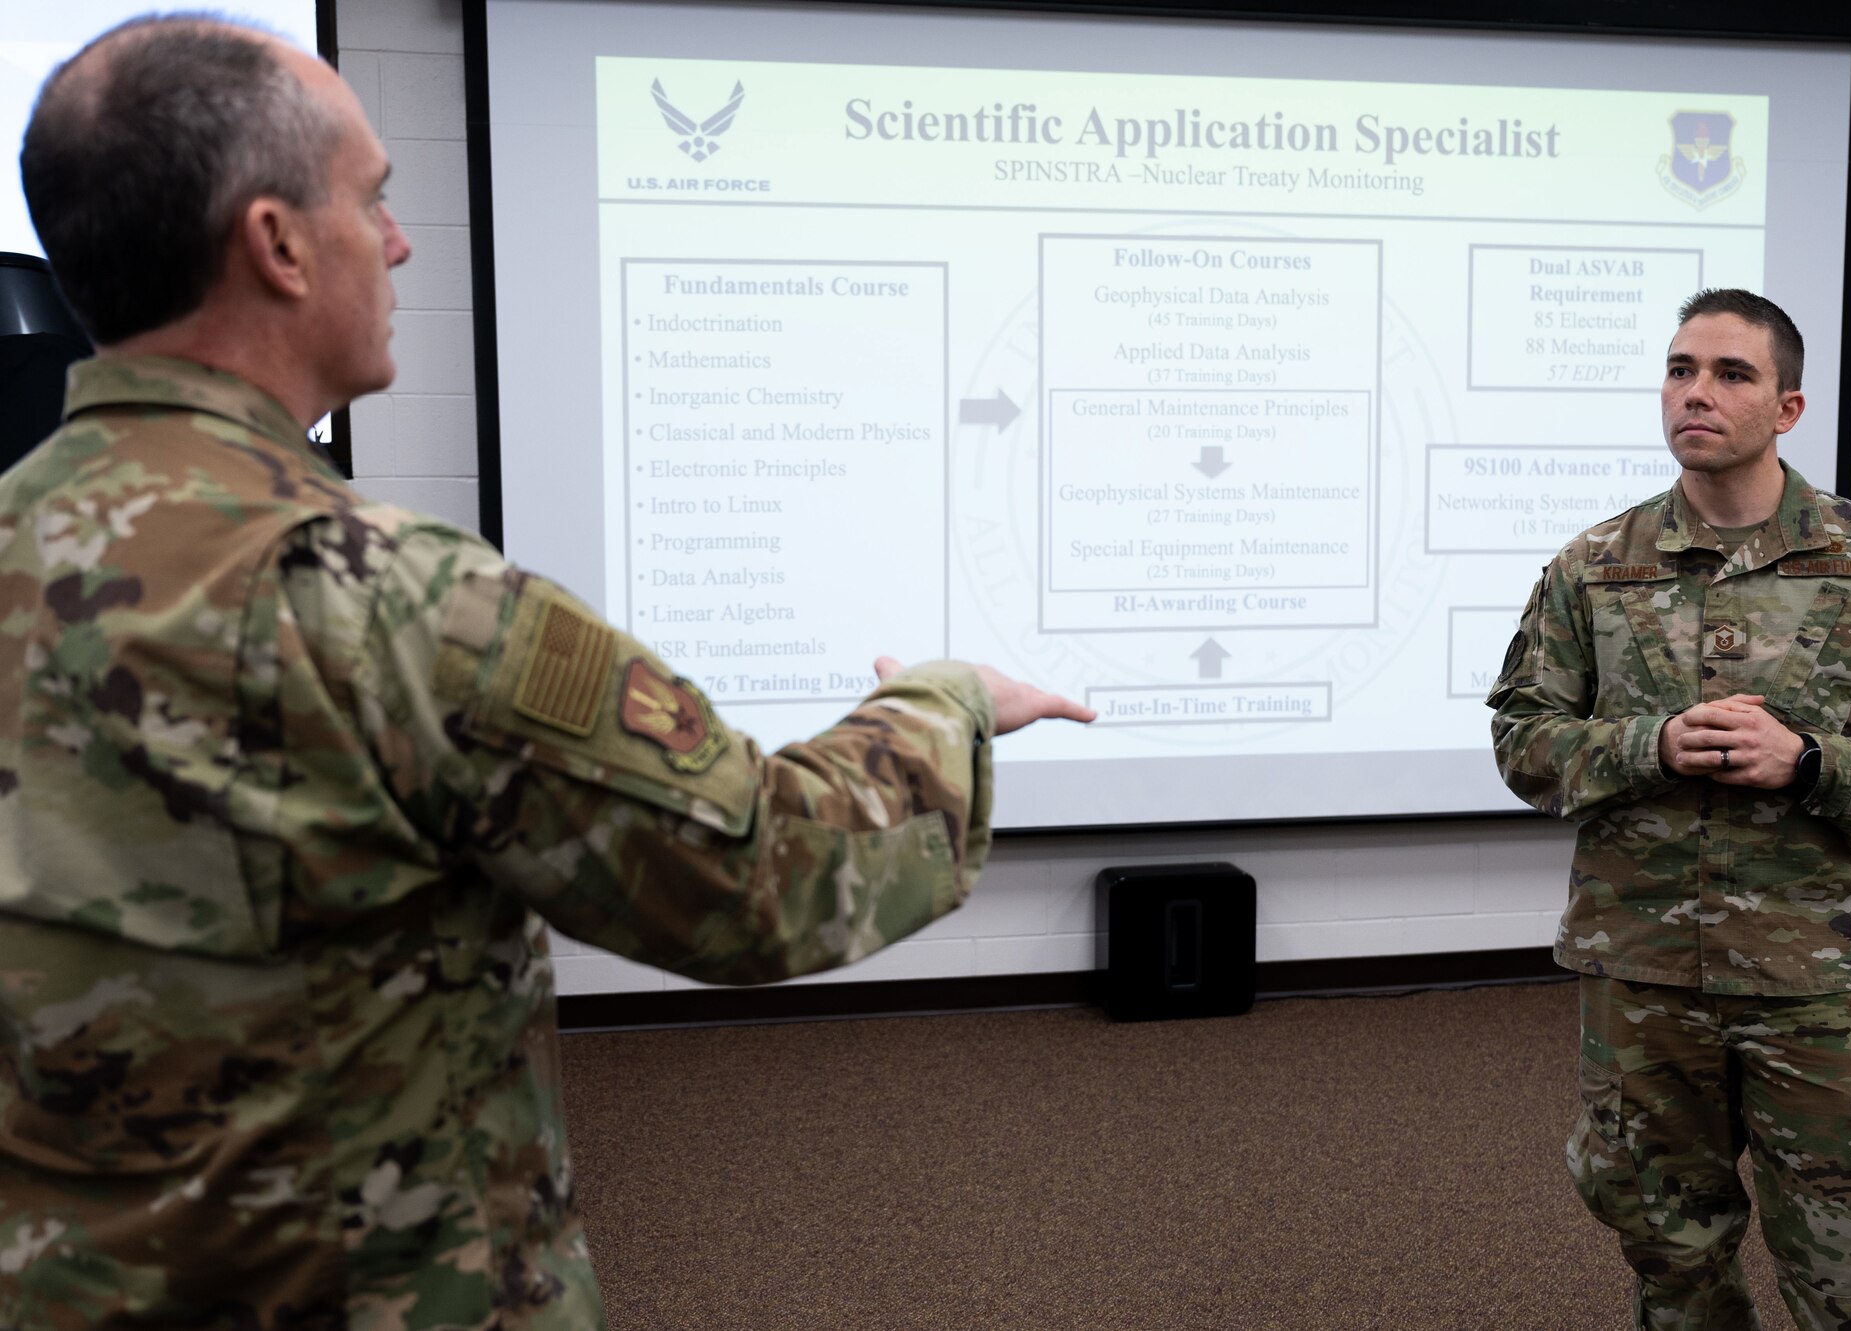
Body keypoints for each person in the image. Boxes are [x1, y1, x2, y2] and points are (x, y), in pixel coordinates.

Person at [0, 16, 1092, 1329]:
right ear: (279, 244)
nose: (399, 242)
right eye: (375, 200)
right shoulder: (395, 602)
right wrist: (944, 699)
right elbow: (763, 874)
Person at [1488, 288, 1851, 1330]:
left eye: (1728, 374)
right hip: (1641, 981)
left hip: (1815, 978)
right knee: (1672, 1267)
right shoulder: (1593, 567)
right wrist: (1648, 744)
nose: (1694, 394)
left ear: (1788, 406)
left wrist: (1811, 761)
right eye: (1678, 370)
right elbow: (1521, 743)